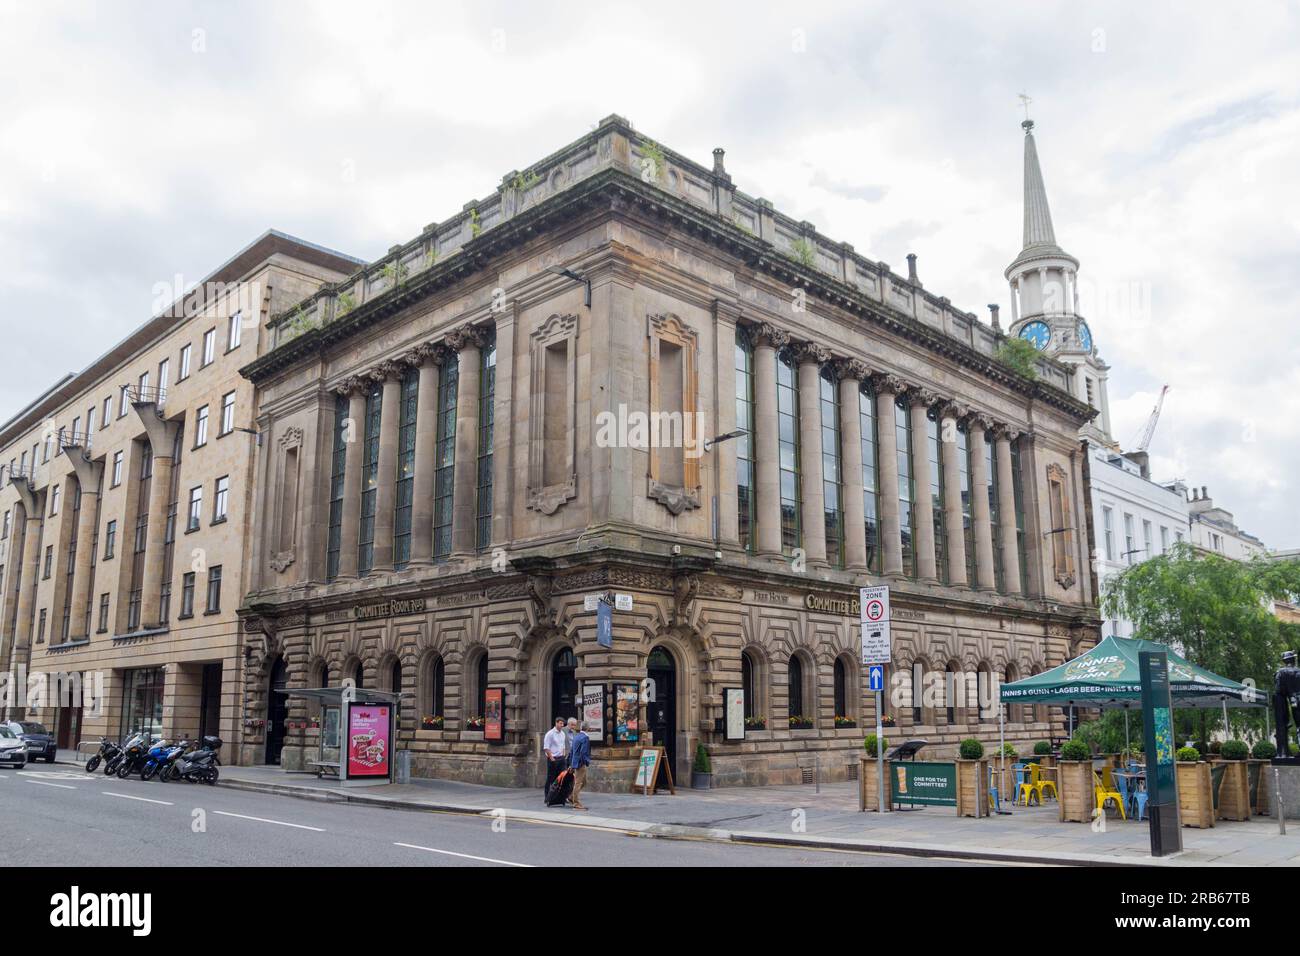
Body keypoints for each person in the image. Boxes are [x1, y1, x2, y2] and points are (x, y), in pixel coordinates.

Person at [542, 717, 567, 803]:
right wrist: (552, 759)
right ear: (556, 723)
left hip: (561, 759)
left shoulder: (563, 733)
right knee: (551, 779)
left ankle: (561, 797)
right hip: (553, 759)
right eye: (560, 723)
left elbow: (563, 745)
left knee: (562, 778)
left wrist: (563, 755)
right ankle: (547, 797)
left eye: (563, 724)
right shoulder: (550, 734)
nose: (562, 725)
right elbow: (546, 748)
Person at [568, 721, 591, 810]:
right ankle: (576, 803)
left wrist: (571, 763)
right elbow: (583, 752)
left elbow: (572, 751)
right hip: (580, 764)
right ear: (588, 728)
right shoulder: (585, 738)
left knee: (584, 782)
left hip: (575, 762)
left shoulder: (576, 736)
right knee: (578, 783)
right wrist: (586, 762)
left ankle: (571, 797)